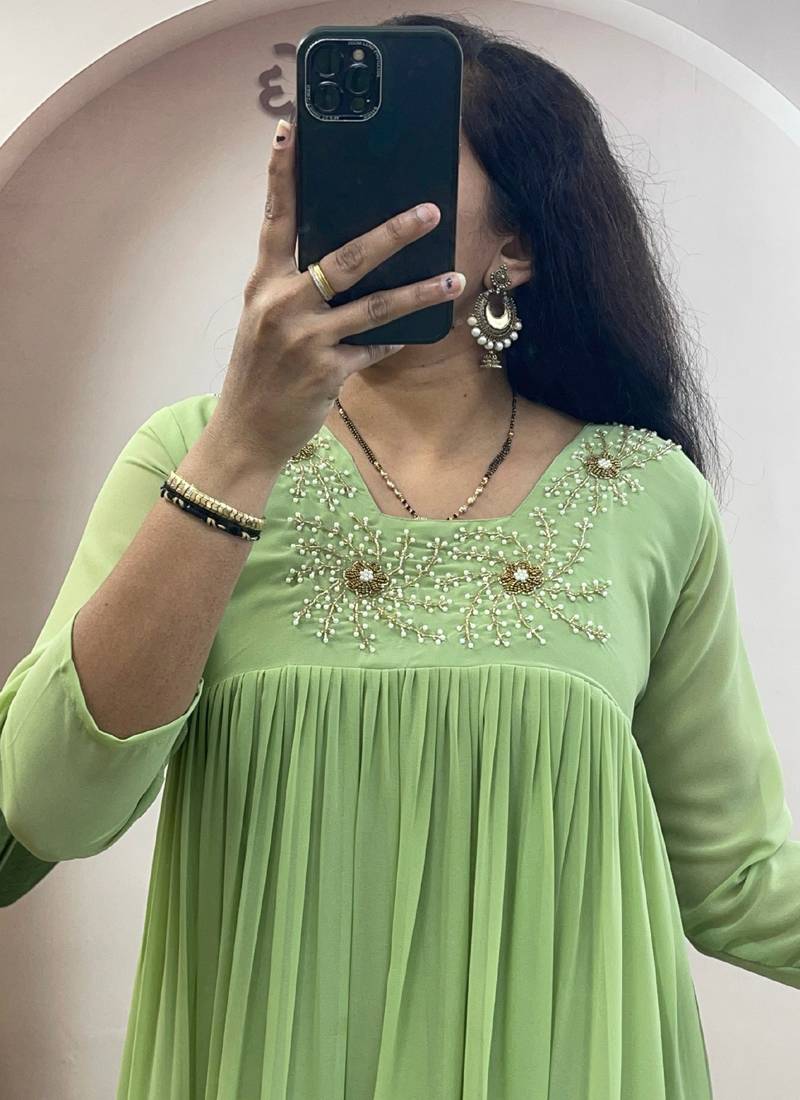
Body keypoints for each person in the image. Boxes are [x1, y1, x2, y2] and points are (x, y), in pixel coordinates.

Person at [1, 12, 797, 1099]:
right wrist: (241, 446)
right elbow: (51, 805)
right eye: (329, 169)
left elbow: (738, 879)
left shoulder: (648, 494)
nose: (350, 206)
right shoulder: (189, 457)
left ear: (516, 246)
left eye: (401, 169)